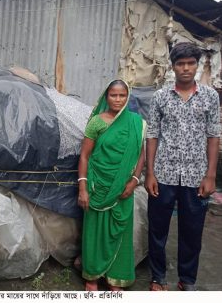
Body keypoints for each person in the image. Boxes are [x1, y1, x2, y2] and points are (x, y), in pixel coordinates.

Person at [145, 42, 221, 291]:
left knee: (192, 231)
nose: (186, 68)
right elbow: (153, 135)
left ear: (197, 66)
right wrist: (150, 173)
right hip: (164, 174)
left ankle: (186, 280)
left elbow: (213, 136)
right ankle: (158, 277)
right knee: (157, 229)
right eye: (181, 64)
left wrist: (210, 176)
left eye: (190, 63)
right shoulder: (160, 97)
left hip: (195, 176)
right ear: (173, 67)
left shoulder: (210, 96)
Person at [78, 80, 145, 291]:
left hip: (123, 188)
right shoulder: (96, 122)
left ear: (128, 97)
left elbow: (140, 155)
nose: (117, 99)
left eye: (122, 95)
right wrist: (83, 188)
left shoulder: (136, 122)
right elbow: (84, 157)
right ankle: (92, 277)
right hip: (98, 186)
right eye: (113, 95)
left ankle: (116, 278)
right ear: (106, 97)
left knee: (120, 233)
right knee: (94, 232)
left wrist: (134, 181)